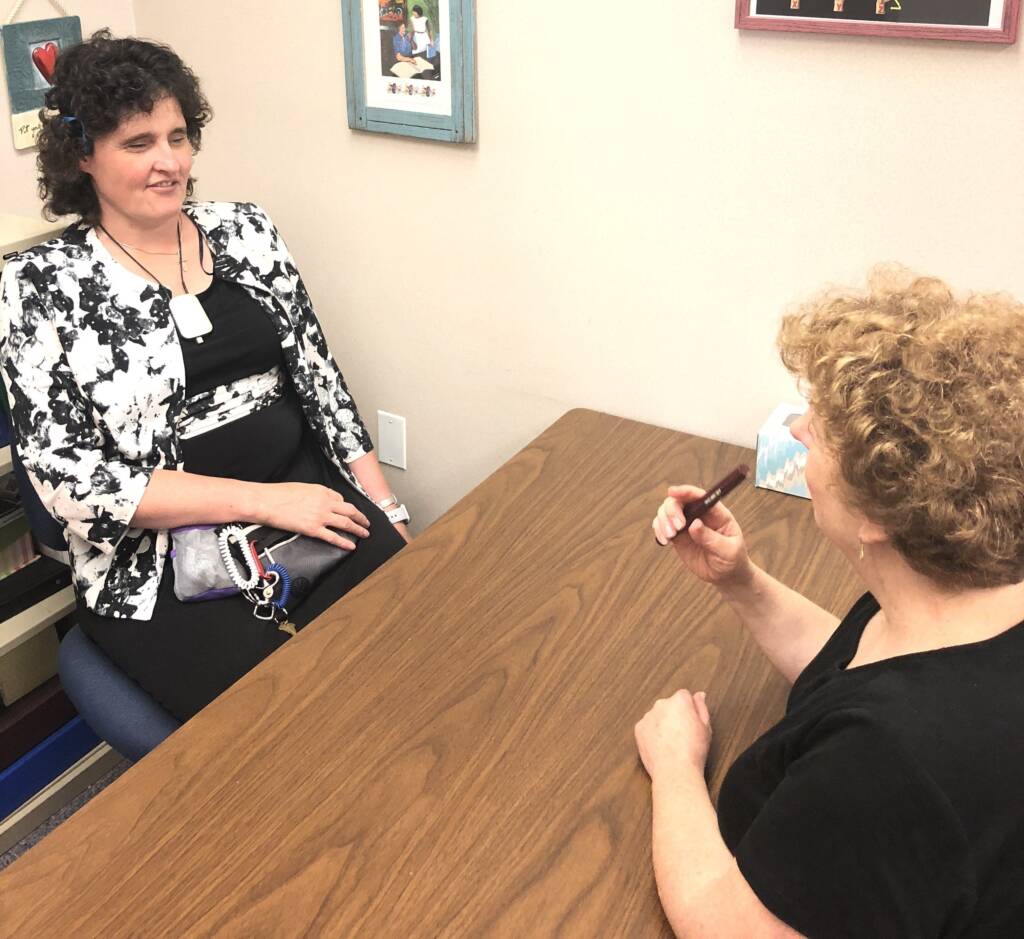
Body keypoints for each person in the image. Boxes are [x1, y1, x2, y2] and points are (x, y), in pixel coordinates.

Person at [0, 31, 411, 724]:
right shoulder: (38, 286)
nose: (169, 162)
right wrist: (266, 502)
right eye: (138, 143)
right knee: (293, 725)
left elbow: (318, 377)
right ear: (83, 156)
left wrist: (386, 507)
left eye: (179, 136)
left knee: (413, 645)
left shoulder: (246, 230)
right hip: (159, 566)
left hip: (310, 500)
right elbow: (76, 486)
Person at [637, 268, 1024, 936]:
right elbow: (861, 671)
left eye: (821, 428)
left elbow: (733, 924)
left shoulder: (890, 764)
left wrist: (674, 766)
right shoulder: (962, 593)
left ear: (880, 511)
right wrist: (743, 583)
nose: (799, 429)